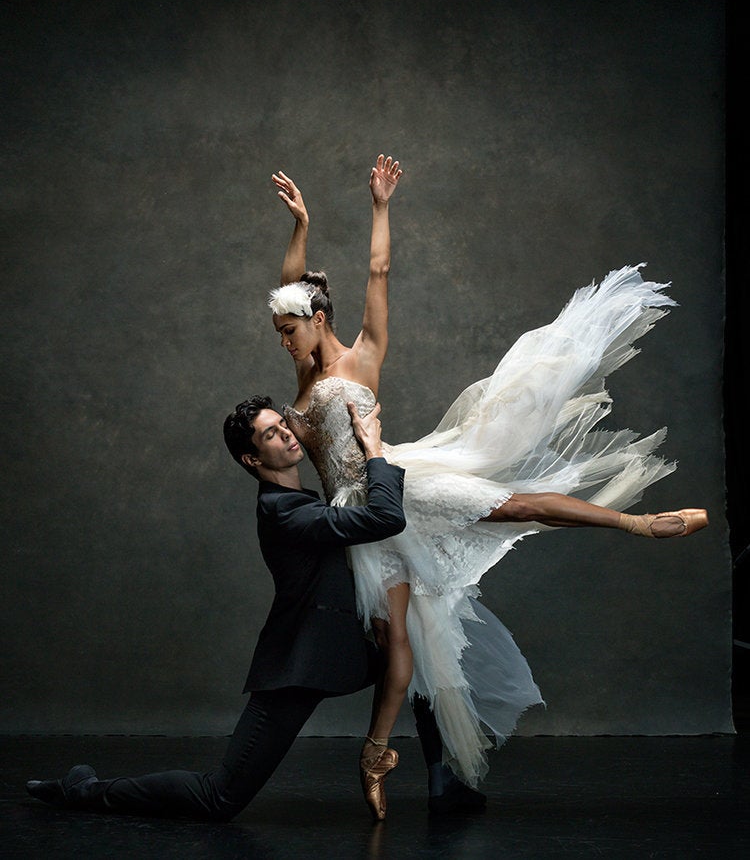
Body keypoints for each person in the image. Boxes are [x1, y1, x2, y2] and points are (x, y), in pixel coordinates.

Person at [266, 154, 709, 789]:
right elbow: (288, 286)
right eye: (280, 334)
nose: (284, 343)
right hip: (358, 522)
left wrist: (382, 206)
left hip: (401, 482)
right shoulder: (305, 376)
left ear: (318, 320)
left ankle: (638, 523)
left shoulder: (362, 358)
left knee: (516, 505)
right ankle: (375, 757)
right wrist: (300, 226)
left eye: (290, 331)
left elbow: (378, 271)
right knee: (402, 647)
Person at [26, 397, 482, 822]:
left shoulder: (303, 501)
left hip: (340, 648)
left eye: (284, 426)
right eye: (270, 435)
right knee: (220, 797)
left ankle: (441, 782)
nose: (286, 435)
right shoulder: (283, 511)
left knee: (419, 658)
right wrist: (374, 451)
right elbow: (386, 518)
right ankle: (85, 790)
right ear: (253, 459)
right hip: (300, 663)